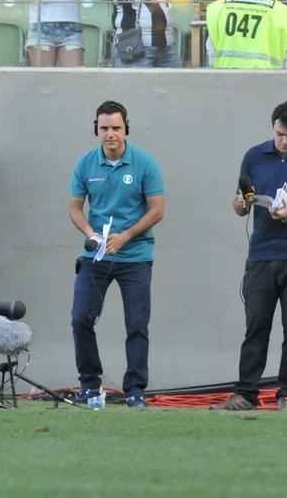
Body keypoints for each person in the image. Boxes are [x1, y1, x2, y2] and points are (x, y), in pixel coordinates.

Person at [216, 100, 287, 411]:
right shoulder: (254, 156)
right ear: (273, 129)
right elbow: (240, 200)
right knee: (256, 324)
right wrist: (241, 205)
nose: (284, 141)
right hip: (262, 254)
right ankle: (245, 393)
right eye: (280, 134)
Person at [69, 100, 166, 409]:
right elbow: (75, 208)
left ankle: (135, 389)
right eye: (104, 128)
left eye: (116, 128)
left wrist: (126, 236)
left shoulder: (145, 163)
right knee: (80, 319)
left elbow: (157, 210)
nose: (110, 134)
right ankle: (90, 384)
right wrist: (91, 235)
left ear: (126, 129)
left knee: (137, 324)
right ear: (96, 130)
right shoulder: (85, 163)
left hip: (135, 257)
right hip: (96, 257)